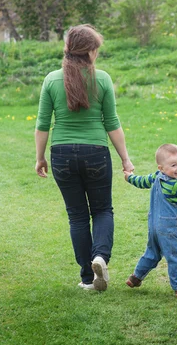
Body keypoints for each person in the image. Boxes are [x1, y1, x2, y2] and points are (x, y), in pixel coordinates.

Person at [34, 24, 134, 292]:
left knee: (77, 216)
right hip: (96, 153)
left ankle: (88, 278)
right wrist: (125, 159)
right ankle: (100, 257)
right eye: (96, 50)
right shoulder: (102, 79)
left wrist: (40, 157)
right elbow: (111, 122)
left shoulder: (51, 79)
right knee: (102, 210)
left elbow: (43, 124)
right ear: (89, 52)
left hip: (62, 154)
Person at [124, 144, 177, 297]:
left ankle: (135, 278)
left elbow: (141, 181)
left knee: (152, 253)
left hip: (154, 226)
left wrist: (129, 177)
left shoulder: (156, 176)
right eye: (173, 165)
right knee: (175, 256)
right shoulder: (173, 185)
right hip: (169, 228)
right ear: (161, 167)